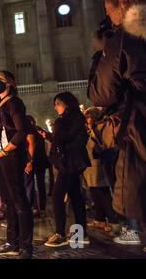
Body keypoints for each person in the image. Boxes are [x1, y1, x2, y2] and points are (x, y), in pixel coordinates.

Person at [88, 0, 146, 255]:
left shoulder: (126, 36)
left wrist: (103, 52)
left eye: (108, 9)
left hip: (145, 140)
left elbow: (100, 92)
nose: (107, 16)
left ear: (120, 4)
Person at [40, 92, 91, 248]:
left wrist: (57, 131)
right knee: (76, 196)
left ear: (66, 104)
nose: (56, 107)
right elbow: (63, 139)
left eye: (58, 103)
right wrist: (49, 136)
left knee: (57, 196)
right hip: (70, 162)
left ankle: (60, 234)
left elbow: (71, 138)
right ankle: (81, 234)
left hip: (69, 163)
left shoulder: (72, 118)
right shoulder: (71, 118)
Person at [0, 70, 34, 259]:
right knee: (9, 202)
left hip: (12, 156)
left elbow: (21, 131)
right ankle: (12, 241)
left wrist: (7, 149)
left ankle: (26, 245)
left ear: (10, 83)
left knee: (19, 202)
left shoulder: (14, 103)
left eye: (0, 80)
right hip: (0, 158)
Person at [83, 107, 117, 232]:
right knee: (94, 193)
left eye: (87, 117)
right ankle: (100, 219)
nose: (86, 120)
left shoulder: (100, 129)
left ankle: (113, 221)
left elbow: (106, 146)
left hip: (99, 166)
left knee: (103, 193)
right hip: (91, 167)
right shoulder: (90, 130)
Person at [25, 115, 49, 217]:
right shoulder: (39, 130)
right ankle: (40, 208)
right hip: (40, 160)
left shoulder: (28, 131)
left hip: (34, 161)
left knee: (32, 185)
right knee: (39, 185)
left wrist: (29, 161)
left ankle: (35, 207)